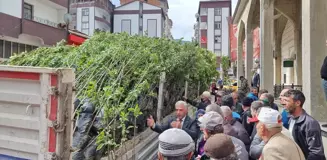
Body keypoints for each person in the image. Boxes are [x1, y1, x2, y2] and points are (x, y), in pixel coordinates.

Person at [284, 90, 326, 160]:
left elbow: (316, 153)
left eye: (287, 101)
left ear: (297, 103)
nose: (284, 104)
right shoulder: (291, 119)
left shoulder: (310, 123)